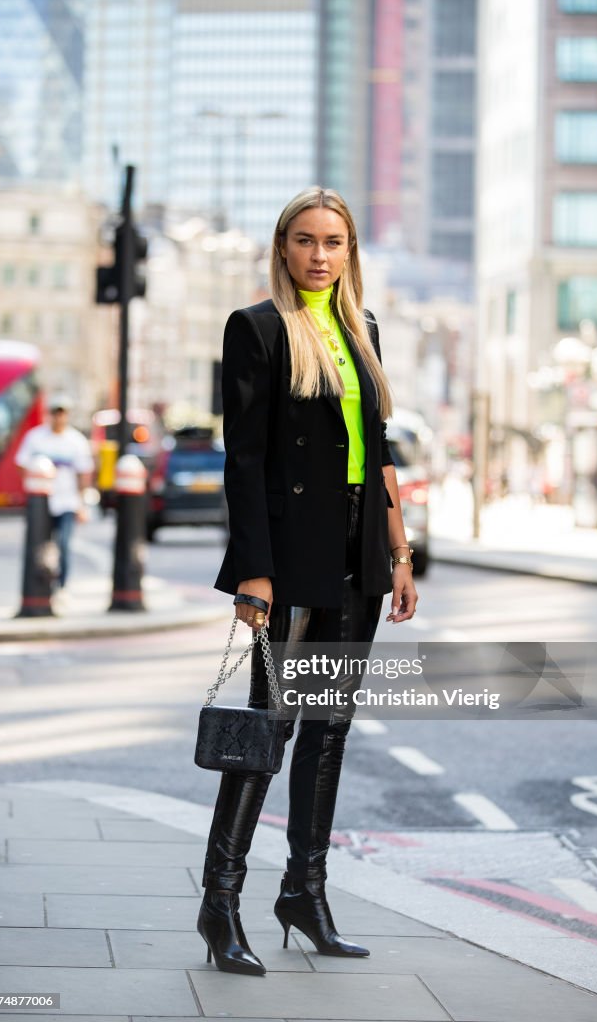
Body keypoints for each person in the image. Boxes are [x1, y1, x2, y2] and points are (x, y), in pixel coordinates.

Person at [198, 187, 419, 977]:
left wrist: (399, 550)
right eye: (305, 240)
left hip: (360, 546)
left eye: (334, 242)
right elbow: (245, 458)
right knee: (272, 728)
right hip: (293, 553)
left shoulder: (365, 329)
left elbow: (381, 448)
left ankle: (306, 894)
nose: (320, 255)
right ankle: (220, 901)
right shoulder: (257, 329)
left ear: (350, 251)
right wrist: (253, 571)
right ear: (282, 247)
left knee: (329, 732)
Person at [15, 393, 94, 590]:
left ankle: (62, 587)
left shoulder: (76, 441)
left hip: (67, 502)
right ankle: (42, 586)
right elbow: (21, 463)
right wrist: (30, 489)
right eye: (55, 413)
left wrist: (82, 504)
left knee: (64, 545)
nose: (58, 417)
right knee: (41, 545)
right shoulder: (35, 437)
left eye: (62, 413)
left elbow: (83, 474)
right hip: (42, 502)